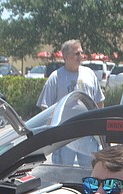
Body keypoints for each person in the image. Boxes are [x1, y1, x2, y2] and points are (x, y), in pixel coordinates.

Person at [37, 40, 105, 168]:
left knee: (89, 170)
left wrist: (99, 126)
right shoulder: (56, 77)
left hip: (87, 134)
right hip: (64, 137)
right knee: (63, 171)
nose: (81, 56)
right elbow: (44, 107)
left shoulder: (89, 74)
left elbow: (99, 101)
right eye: (76, 54)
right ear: (66, 57)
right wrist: (53, 131)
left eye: (81, 53)